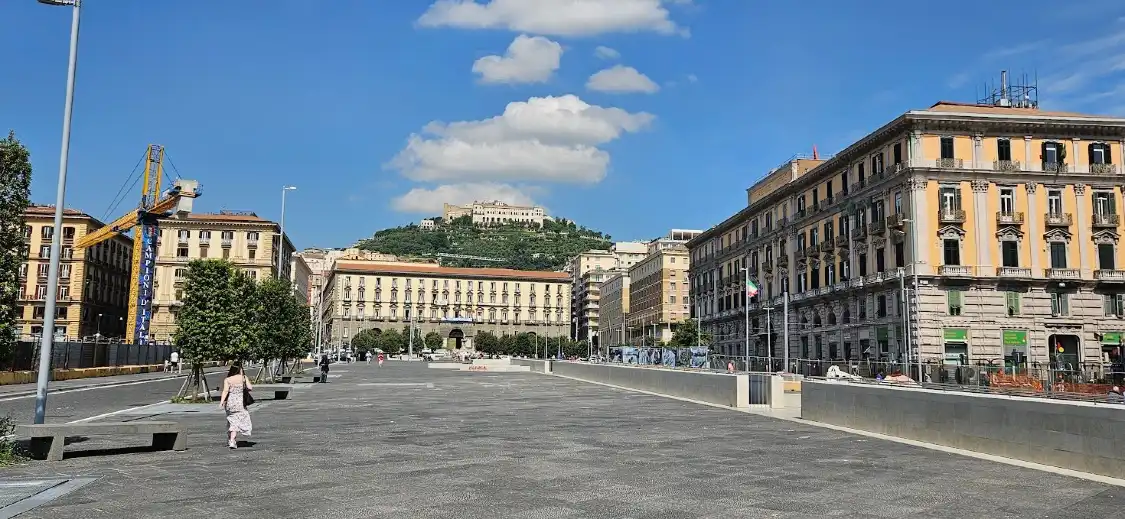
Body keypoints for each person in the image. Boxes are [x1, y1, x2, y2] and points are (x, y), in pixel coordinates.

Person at [219, 364, 253, 449]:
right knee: (237, 421)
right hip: (240, 402)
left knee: (232, 420)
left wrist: (222, 402)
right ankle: (232, 440)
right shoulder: (244, 378)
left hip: (230, 402)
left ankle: (230, 439)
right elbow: (250, 387)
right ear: (239, 370)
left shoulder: (228, 379)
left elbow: (225, 391)